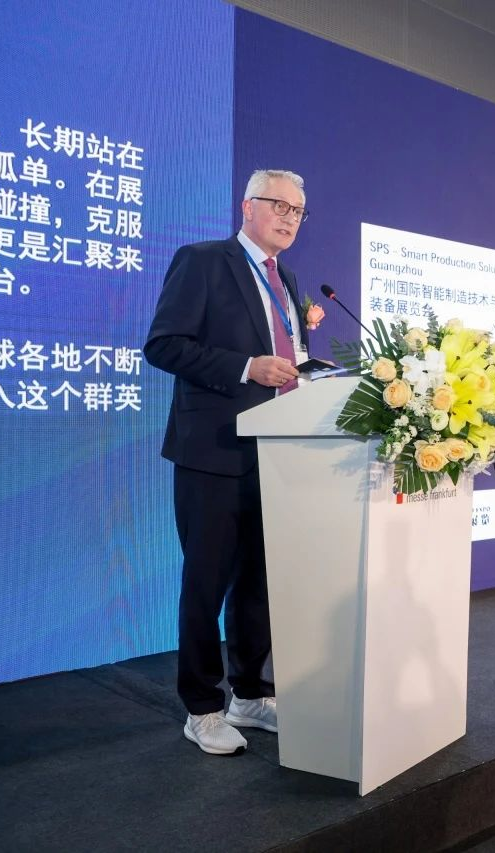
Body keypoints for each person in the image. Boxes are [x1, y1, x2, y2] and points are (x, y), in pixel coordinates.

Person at [144, 169, 313, 755]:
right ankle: (202, 706)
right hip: (213, 451)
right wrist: (246, 367)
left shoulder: (286, 279)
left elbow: (285, 354)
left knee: (260, 584)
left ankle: (250, 692)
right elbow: (164, 344)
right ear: (247, 207)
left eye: (298, 211)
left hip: (277, 452)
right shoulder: (203, 261)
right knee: (206, 583)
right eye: (279, 205)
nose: (289, 218)